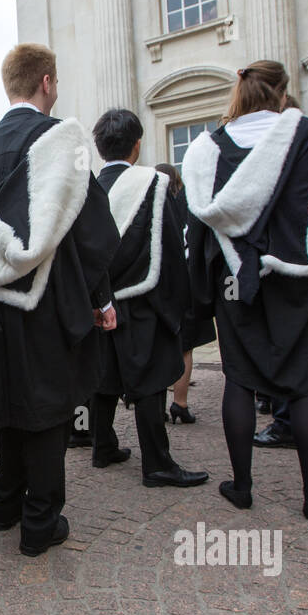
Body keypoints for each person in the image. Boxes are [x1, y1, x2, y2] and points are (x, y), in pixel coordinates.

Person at [0, 43, 120, 555]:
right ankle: (39, 522)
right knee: (48, 410)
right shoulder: (62, 140)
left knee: (8, 403)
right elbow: (92, 231)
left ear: (10, 85)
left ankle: (5, 503)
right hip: (48, 299)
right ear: (46, 82)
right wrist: (100, 297)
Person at [183, 60, 308, 520]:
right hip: (298, 276)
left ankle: (241, 486)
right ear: (282, 93)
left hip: (235, 279)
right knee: (304, 387)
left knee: (238, 379)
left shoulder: (208, 148)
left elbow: (199, 224)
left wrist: (203, 290)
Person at [90, 110, 208, 488]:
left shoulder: (88, 187)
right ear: (137, 144)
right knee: (149, 383)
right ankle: (157, 463)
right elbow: (171, 247)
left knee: (104, 378)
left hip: (100, 302)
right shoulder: (154, 185)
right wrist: (176, 307)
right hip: (143, 300)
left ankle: (102, 446)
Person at [163, 162, 214, 424]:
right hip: (189, 278)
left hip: (161, 282)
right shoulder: (190, 199)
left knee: (160, 342)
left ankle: (155, 403)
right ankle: (180, 404)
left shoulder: (155, 202)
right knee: (186, 346)